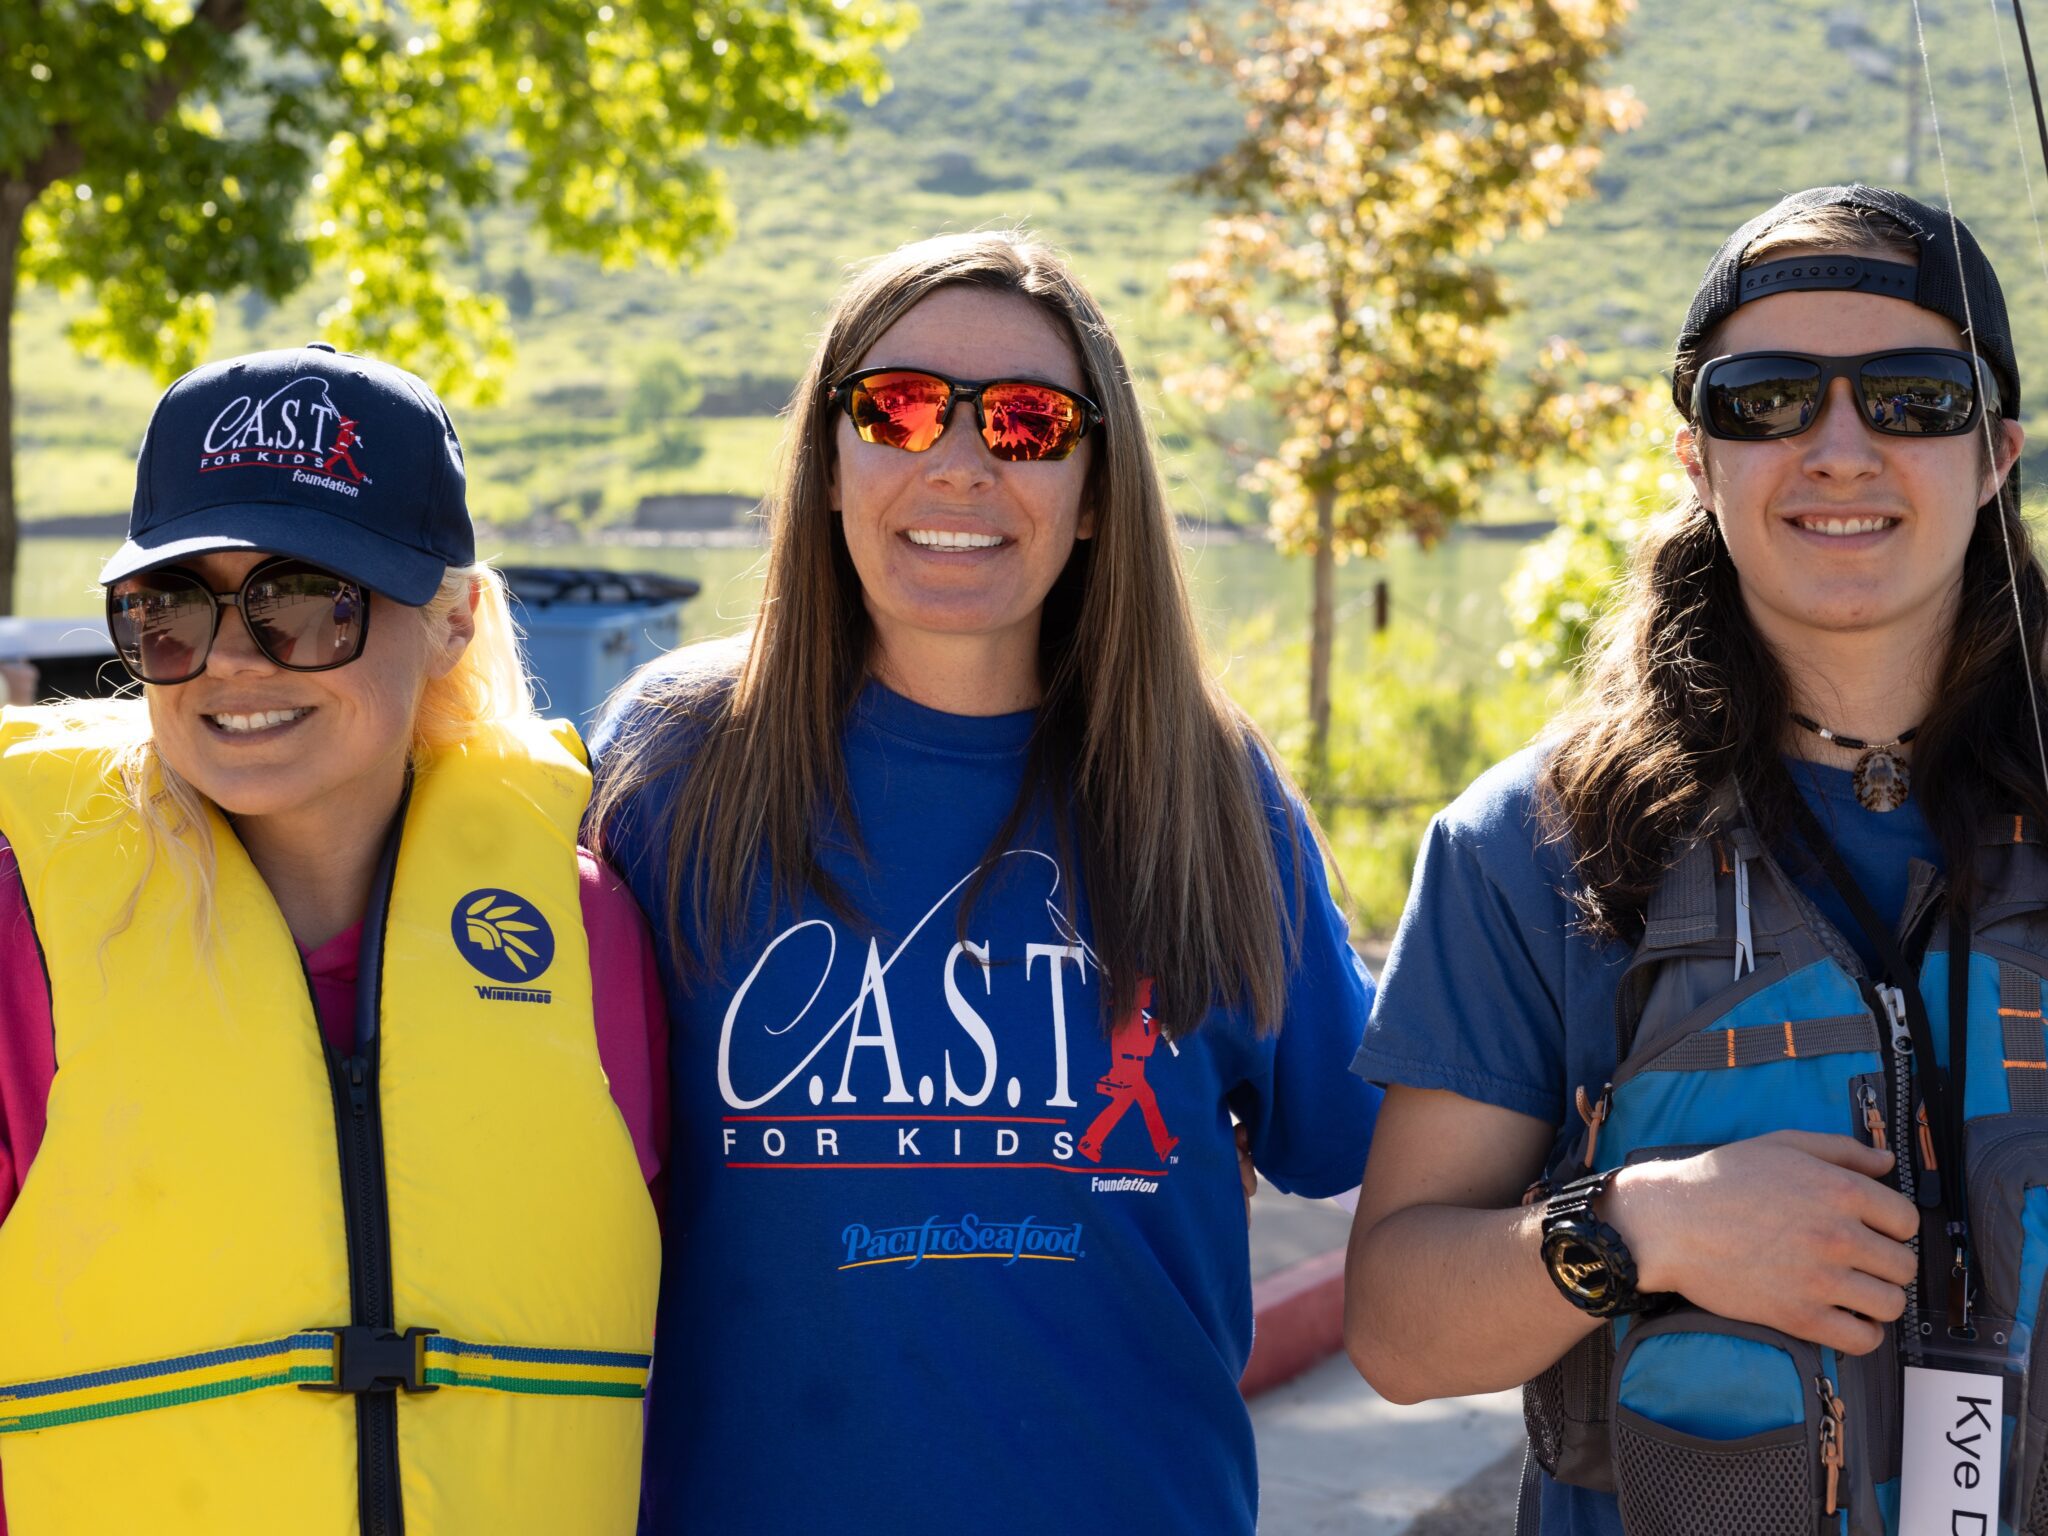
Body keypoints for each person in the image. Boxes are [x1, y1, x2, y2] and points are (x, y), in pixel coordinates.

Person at [590, 230, 1381, 1534]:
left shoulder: (1204, 784)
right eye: (896, 410)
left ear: (1095, 487)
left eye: (1025, 422)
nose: (955, 462)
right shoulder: (672, 765)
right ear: (828, 463)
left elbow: (1361, 1137)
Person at [1346, 183, 2048, 1534]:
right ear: (1695, 459)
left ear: (1999, 451)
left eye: (1913, 397)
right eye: (1767, 399)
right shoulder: (1531, 847)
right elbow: (1395, 1327)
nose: (1840, 448)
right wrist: (1637, 1229)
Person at [0, 343, 668, 1535]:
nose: (235, 658)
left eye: (308, 599)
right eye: (172, 609)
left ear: (454, 618)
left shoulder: (587, 929)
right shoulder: (26, 938)